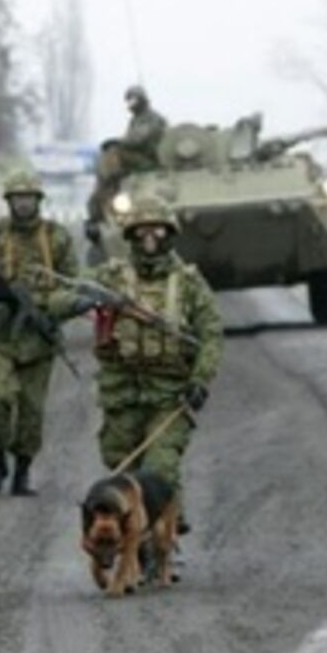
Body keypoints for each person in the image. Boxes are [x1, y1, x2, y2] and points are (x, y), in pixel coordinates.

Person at [85, 196, 223, 534]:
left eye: (158, 230)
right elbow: (68, 293)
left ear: (170, 233)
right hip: (121, 393)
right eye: (142, 230)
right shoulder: (110, 277)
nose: (150, 238)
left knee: (160, 468)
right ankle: (141, 535)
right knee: (120, 464)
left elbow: (211, 332)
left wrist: (200, 379)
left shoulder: (188, 283)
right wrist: (71, 301)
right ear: (130, 234)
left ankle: (165, 530)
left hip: (170, 395)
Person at [0, 170, 87, 495]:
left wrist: (47, 305)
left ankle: (22, 473)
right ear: (9, 201)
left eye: (29, 198)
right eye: (18, 198)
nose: (24, 204)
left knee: (31, 412)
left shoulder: (56, 237)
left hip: (38, 343)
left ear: (39, 200)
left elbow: (74, 284)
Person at [85, 85, 168, 246]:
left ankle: (109, 183)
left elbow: (139, 139)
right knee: (109, 154)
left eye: (133, 99)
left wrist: (118, 142)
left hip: (150, 161)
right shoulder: (136, 120)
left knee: (113, 153)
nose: (131, 103)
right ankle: (103, 194)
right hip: (137, 160)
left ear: (142, 99)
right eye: (129, 100)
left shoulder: (153, 118)